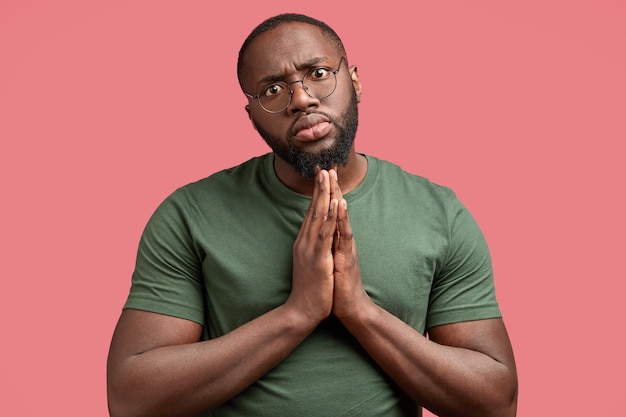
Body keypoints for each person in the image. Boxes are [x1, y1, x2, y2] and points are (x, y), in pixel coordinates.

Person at [107, 13, 518, 417]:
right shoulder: (189, 214)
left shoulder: (438, 212)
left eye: (319, 73)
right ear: (252, 116)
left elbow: (495, 403)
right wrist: (298, 313)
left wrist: (359, 310)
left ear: (354, 81)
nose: (301, 99)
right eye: (271, 90)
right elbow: (132, 400)